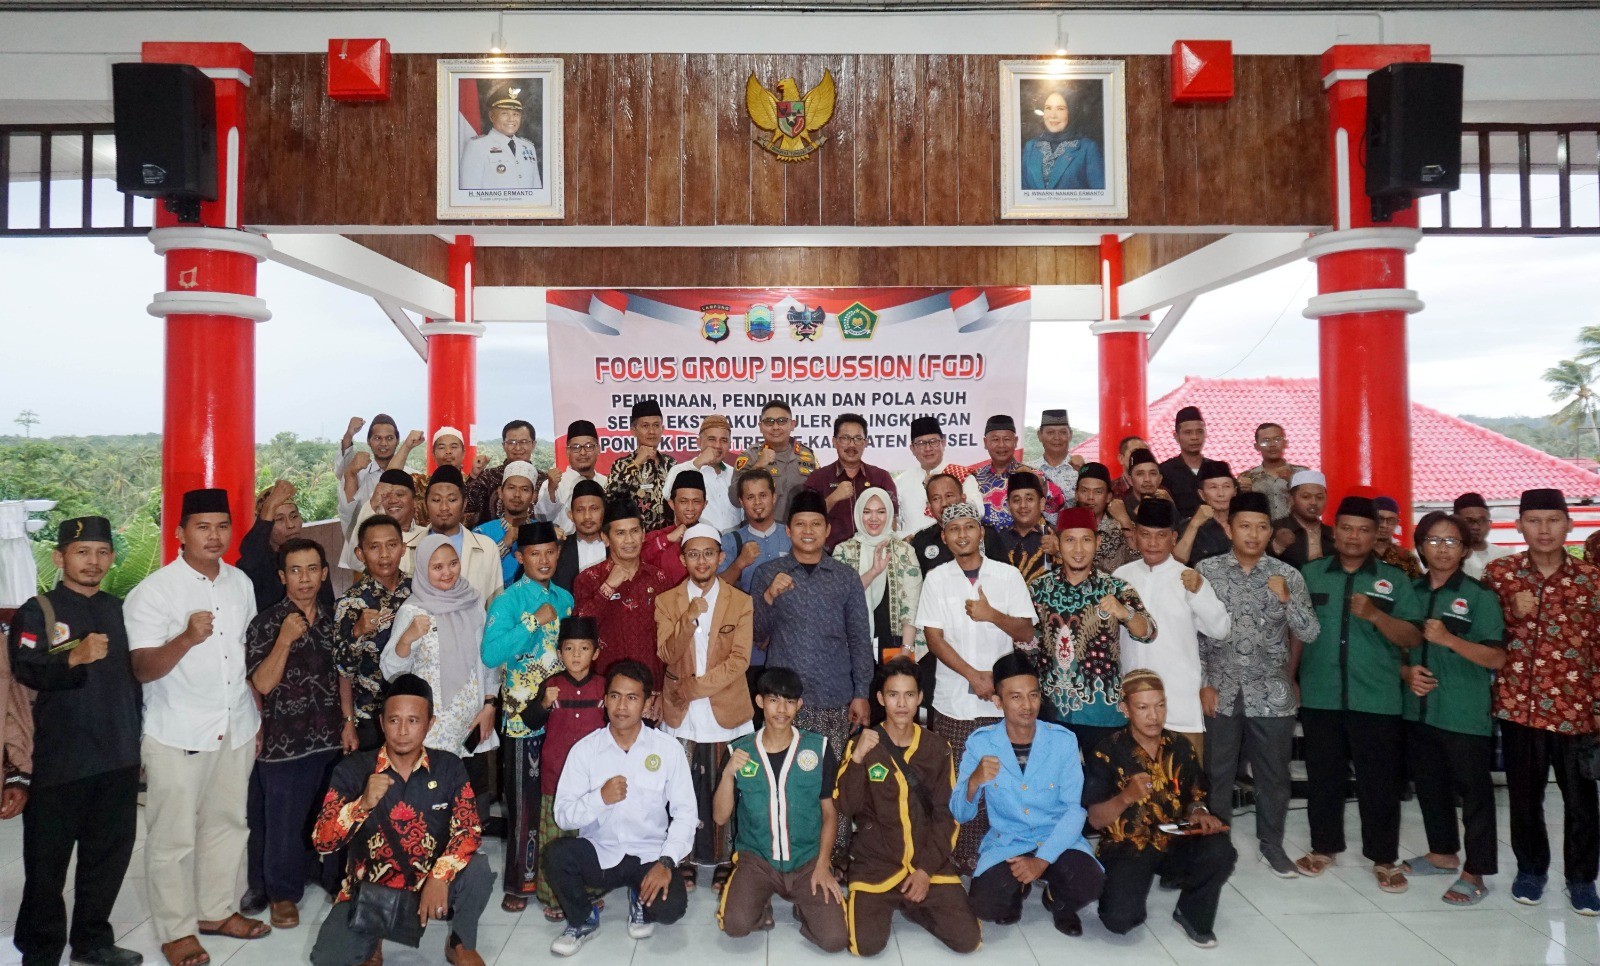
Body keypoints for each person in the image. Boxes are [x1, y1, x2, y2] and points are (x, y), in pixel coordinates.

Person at [124, 488, 270, 966]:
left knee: (229, 824)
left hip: (236, 724)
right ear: (180, 533)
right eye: (203, 527)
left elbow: (244, 656)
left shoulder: (240, 584)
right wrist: (186, 638)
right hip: (177, 731)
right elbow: (143, 667)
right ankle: (176, 930)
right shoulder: (154, 591)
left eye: (222, 526)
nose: (214, 536)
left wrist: (254, 715)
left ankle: (215, 911)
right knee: (172, 838)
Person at [7, 516, 142, 966]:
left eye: (102, 552)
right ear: (60, 557)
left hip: (118, 756)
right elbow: (25, 669)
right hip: (58, 762)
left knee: (106, 860)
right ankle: (40, 951)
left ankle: (92, 941)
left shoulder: (121, 609)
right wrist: (73, 657)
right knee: (46, 868)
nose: (93, 561)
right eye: (82, 552)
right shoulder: (38, 609)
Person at [308, 674, 494, 966]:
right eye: (394, 721)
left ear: (430, 723)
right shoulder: (354, 769)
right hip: (371, 891)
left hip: (430, 880)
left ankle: (460, 941)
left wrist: (439, 875)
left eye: (414, 721)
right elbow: (322, 840)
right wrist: (362, 804)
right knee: (328, 959)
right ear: (381, 723)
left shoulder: (448, 767)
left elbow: (469, 830)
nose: (403, 731)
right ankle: (373, 939)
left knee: (478, 870)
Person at [1294, 495, 1424, 890]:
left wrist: (1376, 615)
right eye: (1347, 528)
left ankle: (1384, 858)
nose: (1354, 537)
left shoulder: (1395, 579)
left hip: (1377, 696)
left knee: (1380, 781)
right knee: (1323, 778)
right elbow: (1295, 631)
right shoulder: (1311, 574)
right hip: (1321, 694)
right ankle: (1323, 849)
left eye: (1364, 529)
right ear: (1336, 531)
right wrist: (1291, 677)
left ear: (1376, 534)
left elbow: (1412, 634)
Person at [1486, 488, 1600, 911]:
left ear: (1568, 524)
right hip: (1520, 706)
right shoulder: (1500, 575)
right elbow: (1481, 636)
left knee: (1581, 801)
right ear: (1518, 525)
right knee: (1524, 797)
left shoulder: (1592, 580)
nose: (1544, 529)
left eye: (1553, 520)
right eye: (1534, 520)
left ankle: (1582, 879)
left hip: (1577, 709)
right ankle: (1532, 870)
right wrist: (1511, 611)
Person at [1196, 492, 1319, 878]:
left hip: (1271, 693)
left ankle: (1272, 845)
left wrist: (1288, 601)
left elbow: (1310, 632)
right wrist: (1203, 683)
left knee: (1274, 776)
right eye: (1244, 526)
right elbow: (1193, 633)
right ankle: (1214, 847)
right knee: (1217, 773)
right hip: (1221, 686)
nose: (1253, 534)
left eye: (1261, 527)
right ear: (1230, 528)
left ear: (1270, 531)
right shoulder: (1206, 571)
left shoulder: (1289, 576)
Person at [917, 501, 1036, 874]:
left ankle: (1001, 856)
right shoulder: (937, 578)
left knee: (1002, 781)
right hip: (954, 700)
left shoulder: (1007, 576)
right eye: (954, 529)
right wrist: (973, 675)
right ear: (945, 537)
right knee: (959, 780)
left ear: (981, 532)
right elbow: (933, 638)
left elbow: (1027, 632)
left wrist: (992, 615)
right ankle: (959, 855)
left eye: (969, 527)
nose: (963, 535)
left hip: (1002, 703)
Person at [834, 658, 981, 956]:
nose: (901, 704)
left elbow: (946, 815)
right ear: (880, 698)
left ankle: (914, 903)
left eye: (909, 695)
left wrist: (926, 870)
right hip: (877, 863)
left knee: (969, 941)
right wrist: (858, 759)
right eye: (893, 695)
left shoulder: (937, 748)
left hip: (928, 863)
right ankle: (893, 900)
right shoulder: (863, 744)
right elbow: (846, 806)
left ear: (920, 698)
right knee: (866, 946)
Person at [545, 661, 694, 955]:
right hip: (602, 851)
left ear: (647, 702)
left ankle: (641, 900)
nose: (621, 706)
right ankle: (583, 919)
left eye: (632, 697)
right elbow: (562, 815)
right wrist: (599, 798)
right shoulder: (585, 750)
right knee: (555, 856)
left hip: (649, 854)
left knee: (672, 908)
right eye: (615, 696)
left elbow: (686, 813)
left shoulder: (667, 749)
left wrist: (666, 863)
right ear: (605, 699)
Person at [952, 652, 1103, 936]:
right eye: (1016, 697)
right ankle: (1016, 889)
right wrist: (973, 782)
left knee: (1091, 881)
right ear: (998, 701)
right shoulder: (980, 743)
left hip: (1056, 837)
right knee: (985, 905)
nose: (1027, 705)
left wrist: (1041, 860)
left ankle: (1057, 901)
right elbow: (960, 813)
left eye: (1033, 695)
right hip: (1009, 840)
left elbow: (1075, 810)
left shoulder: (1063, 741)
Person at [1084, 669, 1237, 948]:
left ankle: (1191, 914)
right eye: (1142, 707)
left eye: (1160, 705)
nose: (1153, 716)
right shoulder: (1106, 752)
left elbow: (1196, 795)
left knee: (1220, 849)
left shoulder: (1180, 747)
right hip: (1127, 845)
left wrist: (1199, 811)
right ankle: (1120, 892)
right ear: (1125, 709)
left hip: (1174, 837)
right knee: (1120, 921)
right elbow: (1094, 819)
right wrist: (1126, 797)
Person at [1399, 511, 1506, 906]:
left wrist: (1449, 640)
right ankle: (1442, 853)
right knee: (1430, 786)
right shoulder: (1409, 591)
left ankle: (1476, 871)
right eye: (1433, 540)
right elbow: (1395, 647)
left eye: (1451, 542)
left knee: (1474, 794)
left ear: (1464, 549)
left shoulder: (1480, 597)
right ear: (1421, 545)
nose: (1442, 549)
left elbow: (1496, 659)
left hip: (1463, 711)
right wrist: (1406, 672)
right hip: (1419, 710)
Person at [244, 537, 345, 930]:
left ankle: (332, 877)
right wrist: (284, 639)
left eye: (312, 570)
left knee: (334, 815)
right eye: (295, 571)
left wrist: (349, 722)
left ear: (323, 573)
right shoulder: (266, 622)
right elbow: (264, 684)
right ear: (283, 576)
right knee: (283, 824)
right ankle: (282, 895)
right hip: (283, 743)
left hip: (332, 736)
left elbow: (344, 677)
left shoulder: (335, 618)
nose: (305, 579)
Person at [712, 667, 848, 950]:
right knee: (735, 926)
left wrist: (823, 865)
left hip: (808, 860)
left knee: (835, 939)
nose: (781, 709)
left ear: (800, 705)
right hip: (758, 861)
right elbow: (720, 816)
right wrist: (727, 774)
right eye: (774, 699)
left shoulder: (818, 748)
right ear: (760, 701)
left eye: (789, 701)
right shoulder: (739, 750)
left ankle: (803, 907)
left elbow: (829, 814)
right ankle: (761, 908)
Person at [656, 523, 754, 891]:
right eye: (693, 554)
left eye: (708, 553)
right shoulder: (668, 602)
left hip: (723, 708)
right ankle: (682, 857)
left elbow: (740, 660)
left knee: (726, 783)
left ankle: (727, 859)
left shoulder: (739, 601)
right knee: (683, 787)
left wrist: (696, 687)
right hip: (681, 713)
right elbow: (667, 653)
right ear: (683, 559)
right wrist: (689, 617)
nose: (701, 560)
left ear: (721, 557)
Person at [482, 522, 573, 910]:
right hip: (521, 720)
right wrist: (535, 618)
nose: (544, 560)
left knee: (561, 800)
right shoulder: (507, 601)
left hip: (562, 718)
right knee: (523, 804)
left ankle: (559, 883)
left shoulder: (566, 598)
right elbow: (491, 654)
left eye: (550, 552)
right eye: (535, 554)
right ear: (520, 557)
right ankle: (519, 883)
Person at [381, 537, 498, 825]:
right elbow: (392, 671)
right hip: (433, 730)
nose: (447, 572)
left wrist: (489, 705)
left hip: (471, 724)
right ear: (422, 569)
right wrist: (408, 637)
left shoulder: (473, 603)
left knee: (470, 812)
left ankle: (467, 867)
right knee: (433, 812)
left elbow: (488, 661)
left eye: (453, 563)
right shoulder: (413, 610)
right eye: (437, 567)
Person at [751, 489, 874, 754]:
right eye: (800, 524)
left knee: (829, 784)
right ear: (788, 530)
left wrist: (861, 692)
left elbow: (860, 639)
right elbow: (756, 635)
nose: (808, 530)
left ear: (827, 529)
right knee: (783, 780)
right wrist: (769, 596)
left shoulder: (846, 577)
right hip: (782, 702)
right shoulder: (767, 574)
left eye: (816, 523)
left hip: (834, 698)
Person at [1029, 506, 1155, 751]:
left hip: (1103, 712)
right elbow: (1026, 643)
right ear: (1057, 542)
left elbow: (1148, 632)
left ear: (1097, 542)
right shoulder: (1038, 589)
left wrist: (1124, 612)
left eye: (1086, 540)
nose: (1078, 550)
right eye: (1070, 540)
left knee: (1102, 786)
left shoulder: (1117, 587)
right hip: (1050, 711)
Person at [1113, 500, 1230, 758]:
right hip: (1132, 704)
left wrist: (1199, 592)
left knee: (1186, 791)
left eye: (1161, 535)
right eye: (1145, 534)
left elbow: (1220, 629)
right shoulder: (1120, 577)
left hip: (1178, 704)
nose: (1153, 543)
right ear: (1135, 535)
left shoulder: (1188, 577)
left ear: (1174, 537)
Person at [519, 618, 607, 921]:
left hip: (594, 781)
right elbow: (530, 721)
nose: (576, 655)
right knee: (557, 838)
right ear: (559, 653)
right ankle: (555, 896)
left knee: (590, 838)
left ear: (595, 653)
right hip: (556, 778)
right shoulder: (552, 685)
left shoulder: (604, 687)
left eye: (584, 648)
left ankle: (591, 892)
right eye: (569, 649)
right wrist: (543, 703)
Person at [335, 514, 414, 751]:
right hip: (369, 716)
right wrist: (357, 632)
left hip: (415, 711)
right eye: (374, 547)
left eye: (391, 545)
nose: (384, 554)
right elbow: (343, 671)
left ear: (403, 548)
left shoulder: (420, 590)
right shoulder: (350, 602)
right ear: (360, 554)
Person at [574, 502, 670, 682]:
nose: (629, 540)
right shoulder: (589, 579)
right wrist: (608, 587)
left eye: (634, 531)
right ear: (605, 538)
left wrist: (661, 689)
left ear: (643, 535)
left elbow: (670, 639)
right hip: (605, 688)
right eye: (620, 533)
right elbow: (580, 630)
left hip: (651, 688)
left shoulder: (659, 578)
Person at [832, 487, 922, 664]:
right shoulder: (843, 551)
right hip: (853, 646)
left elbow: (912, 604)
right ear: (858, 514)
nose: (874, 519)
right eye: (867, 512)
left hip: (896, 643)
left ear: (889, 514)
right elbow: (838, 597)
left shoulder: (904, 551)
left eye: (881, 512)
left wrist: (906, 651)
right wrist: (873, 572)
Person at [801, 412, 898, 551]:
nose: (852, 445)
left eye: (858, 438)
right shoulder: (817, 479)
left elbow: (892, 522)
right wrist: (833, 498)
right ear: (834, 442)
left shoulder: (881, 477)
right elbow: (805, 520)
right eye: (845, 438)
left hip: (874, 556)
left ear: (866, 442)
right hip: (829, 559)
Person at [238, 480, 333, 613]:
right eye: (279, 519)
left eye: (294, 516)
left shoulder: (313, 558)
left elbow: (328, 607)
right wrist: (270, 506)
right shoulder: (258, 563)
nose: (290, 525)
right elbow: (250, 552)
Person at [962, 414, 1064, 531]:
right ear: (985, 442)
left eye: (1007, 439)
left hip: (1026, 546)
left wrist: (1039, 481)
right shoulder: (974, 478)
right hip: (986, 547)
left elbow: (1058, 503)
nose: (1001, 445)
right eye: (995, 439)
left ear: (1015, 441)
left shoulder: (1033, 475)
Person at [417, 465, 501, 604]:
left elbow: (495, 606)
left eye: (452, 500)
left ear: (464, 505)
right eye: (436, 500)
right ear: (426, 505)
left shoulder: (487, 547)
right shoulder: (409, 547)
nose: (444, 508)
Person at [729, 397, 818, 523]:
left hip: (799, 534)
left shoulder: (808, 456)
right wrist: (758, 466)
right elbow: (734, 499)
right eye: (769, 422)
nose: (775, 427)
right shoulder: (750, 456)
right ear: (760, 426)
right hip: (762, 534)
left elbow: (818, 497)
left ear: (792, 425)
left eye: (782, 421)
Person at [909, 473, 1005, 575]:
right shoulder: (921, 541)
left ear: (963, 499)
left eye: (949, 495)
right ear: (929, 506)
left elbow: (1004, 575)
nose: (944, 503)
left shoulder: (987, 535)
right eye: (936, 498)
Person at [604, 399, 677, 533]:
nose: (651, 431)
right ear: (633, 430)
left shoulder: (671, 464)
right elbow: (610, 496)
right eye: (645, 426)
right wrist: (636, 463)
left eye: (656, 425)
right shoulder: (622, 464)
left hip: (669, 540)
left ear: (663, 429)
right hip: (636, 541)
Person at [719, 469, 793, 594]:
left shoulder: (791, 535)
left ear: (773, 497)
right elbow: (716, 590)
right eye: (750, 497)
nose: (757, 502)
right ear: (742, 502)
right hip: (748, 612)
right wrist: (739, 564)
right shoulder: (730, 541)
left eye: (763, 495)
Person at [342, 469, 427, 574]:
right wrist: (372, 504)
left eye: (400, 494)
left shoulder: (426, 535)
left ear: (414, 502)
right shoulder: (374, 538)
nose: (393, 500)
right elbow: (354, 562)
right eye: (386, 496)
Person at [666, 414, 740, 532]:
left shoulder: (735, 474)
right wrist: (699, 463)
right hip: (697, 544)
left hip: (733, 545)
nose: (717, 446)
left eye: (724, 440)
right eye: (712, 439)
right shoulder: (679, 470)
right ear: (699, 442)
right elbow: (667, 495)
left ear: (730, 444)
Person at [1019, 88, 1105, 190]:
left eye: (1060, 108)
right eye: (1048, 108)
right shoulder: (1030, 147)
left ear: (1072, 111)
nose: (1053, 115)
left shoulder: (1088, 148)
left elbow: (1100, 197)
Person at [472, 460, 539, 589]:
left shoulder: (541, 531)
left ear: (533, 497)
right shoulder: (481, 533)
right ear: (500, 493)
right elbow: (474, 571)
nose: (517, 495)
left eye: (524, 489)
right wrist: (505, 542)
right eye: (511, 488)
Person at [537, 420, 609, 536]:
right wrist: (551, 491)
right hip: (565, 548)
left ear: (598, 449)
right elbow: (542, 519)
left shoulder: (606, 483)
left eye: (589, 446)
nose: (583, 452)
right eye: (576, 447)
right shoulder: (554, 484)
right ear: (567, 451)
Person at [894, 415, 960, 537]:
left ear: (943, 443)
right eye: (921, 443)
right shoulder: (902, 481)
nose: (928, 448)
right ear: (912, 449)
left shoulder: (961, 475)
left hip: (954, 548)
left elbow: (977, 511)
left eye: (933, 442)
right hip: (913, 551)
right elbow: (896, 522)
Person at [1158, 406, 1230, 519]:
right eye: (1188, 432)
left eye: (1199, 432)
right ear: (1176, 437)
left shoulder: (1217, 469)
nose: (1195, 437)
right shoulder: (1164, 471)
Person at [459, 94, 541, 190]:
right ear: (492, 116)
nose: (511, 119)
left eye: (515, 114)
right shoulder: (477, 146)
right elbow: (469, 192)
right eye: (504, 113)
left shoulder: (528, 147)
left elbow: (537, 190)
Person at [641, 470, 708, 587]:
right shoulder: (656, 537)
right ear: (672, 504)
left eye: (696, 502)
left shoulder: (711, 537)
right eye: (683, 501)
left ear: (705, 504)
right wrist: (668, 539)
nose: (690, 508)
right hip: (663, 604)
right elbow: (634, 560)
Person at [464, 419, 536, 527]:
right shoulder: (488, 477)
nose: (517, 447)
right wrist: (474, 476)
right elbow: (467, 507)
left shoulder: (544, 480)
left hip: (534, 540)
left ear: (533, 444)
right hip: (490, 539)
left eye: (523, 442)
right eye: (511, 442)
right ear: (503, 446)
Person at [335, 414, 399, 533]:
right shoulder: (358, 473)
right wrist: (349, 435)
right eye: (377, 438)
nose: (384, 443)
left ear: (398, 441)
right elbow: (341, 473)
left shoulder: (410, 475)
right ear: (369, 441)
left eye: (389, 438)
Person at [992, 470, 1058, 583]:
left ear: (1042, 503)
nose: (1023, 505)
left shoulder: (1057, 535)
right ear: (1008, 506)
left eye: (1029, 499)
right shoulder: (997, 539)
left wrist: (1059, 552)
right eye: (1016, 500)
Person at [1236, 423, 1307, 523]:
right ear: (1256, 446)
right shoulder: (1247, 477)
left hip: (1297, 531)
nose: (1272, 445)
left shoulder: (1302, 473)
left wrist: (1293, 481)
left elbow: (1313, 502)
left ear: (1285, 443)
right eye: (1265, 441)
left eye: (1277, 439)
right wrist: (1241, 492)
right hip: (1261, 533)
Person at [1076, 462, 1137, 573]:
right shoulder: (1065, 528)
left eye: (1098, 492)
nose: (1090, 497)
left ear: (1108, 497)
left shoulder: (1121, 526)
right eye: (1084, 491)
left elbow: (1141, 562)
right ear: (1076, 494)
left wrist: (1125, 522)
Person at [1174, 462, 1236, 567]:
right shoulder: (1188, 525)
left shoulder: (1246, 522)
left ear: (1235, 492)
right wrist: (1194, 524)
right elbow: (1177, 563)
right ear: (1202, 494)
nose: (1221, 494)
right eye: (1213, 487)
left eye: (1226, 487)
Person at [552, 479, 608, 592]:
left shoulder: (617, 548)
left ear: (605, 511)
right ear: (571, 515)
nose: (587, 516)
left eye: (594, 508)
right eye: (580, 510)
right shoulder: (558, 550)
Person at [1271, 470, 1334, 569]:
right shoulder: (1275, 528)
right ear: (1291, 499)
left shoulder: (1332, 534)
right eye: (1306, 497)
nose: (1313, 502)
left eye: (1319, 497)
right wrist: (1277, 546)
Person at [1454, 492, 1513, 579]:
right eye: (1469, 521)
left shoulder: (1504, 556)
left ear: (1490, 523)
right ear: (1456, 522)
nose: (1476, 526)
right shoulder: (1449, 557)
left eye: (1482, 520)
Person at [1035, 408, 1082, 507]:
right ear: (1040, 435)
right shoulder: (1030, 470)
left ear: (1070, 435)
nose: (1057, 437)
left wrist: (1083, 471)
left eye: (1063, 432)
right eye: (1050, 432)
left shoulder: (1082, 469)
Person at [1111, 447, 1168, 525]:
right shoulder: (1121, 508)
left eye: (1153, 473)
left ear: (1160, 479)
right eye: (1140, 474)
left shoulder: (1166, 500)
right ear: (1130, 480)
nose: (1147, 479)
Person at [1374, 495, 1424, 579]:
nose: (1384, 525)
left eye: (1390, 520)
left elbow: (1416, 588)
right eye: (1380, 519)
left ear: (1397, 523)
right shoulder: (1358, 554)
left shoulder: (1406, 558)